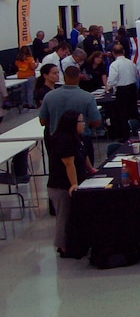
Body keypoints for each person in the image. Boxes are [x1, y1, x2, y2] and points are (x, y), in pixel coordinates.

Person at [39, 66, 102, 168]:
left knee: (60, 175)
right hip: (81, 141)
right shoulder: (87, 97)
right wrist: (83, 123)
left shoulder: (49, 96)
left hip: (57, 143)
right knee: (85, 175)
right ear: (79, 77)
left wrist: (57, 123)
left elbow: (43, 121)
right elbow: (97, 122)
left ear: (64, 77)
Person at [46, 110, 87, 257]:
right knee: (63, 217)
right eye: (81, 121)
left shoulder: (75, 137)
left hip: (71, 182)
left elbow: (83, 154)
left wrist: (90, 169)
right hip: (60, 185)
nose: (84, 124)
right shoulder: (62, 140)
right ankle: (62, 246)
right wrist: (74, 184)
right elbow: (69, 164)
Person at [107, 44, 139, 142]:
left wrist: (109, 86)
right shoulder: (131, 63)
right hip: (133, 89)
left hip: (122, 91)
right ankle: (137, 132)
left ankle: (125, 137)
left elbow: (111, 80)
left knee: (123, 114)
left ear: (113, 53)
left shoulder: (114, 65)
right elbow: (136, 75)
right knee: (133, 111)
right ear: (124, 52)